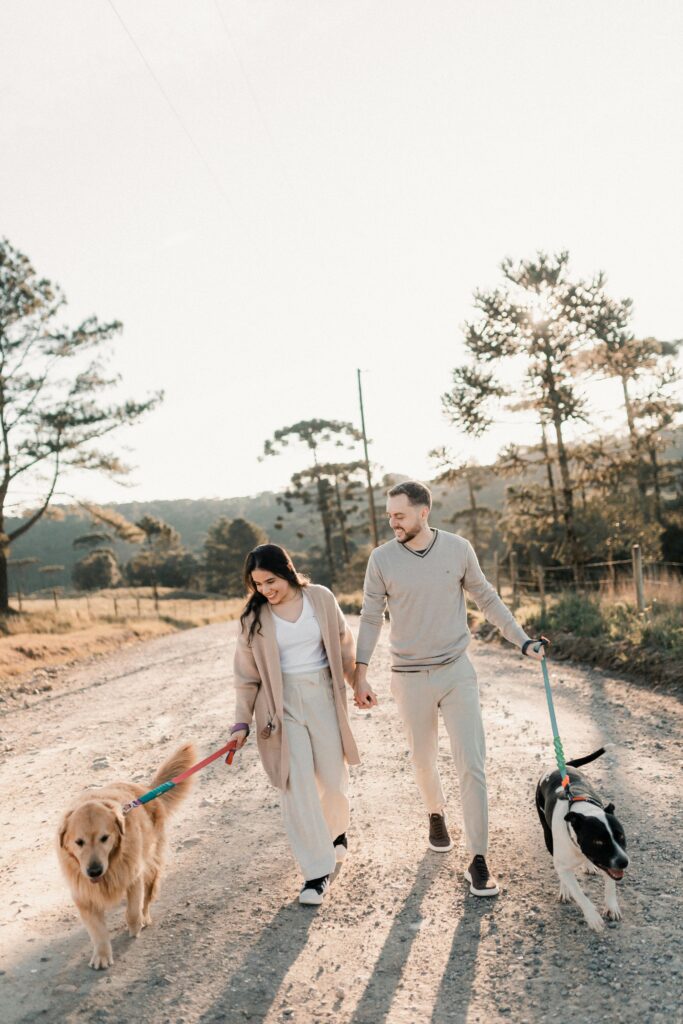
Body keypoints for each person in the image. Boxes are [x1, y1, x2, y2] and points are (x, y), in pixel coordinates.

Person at [353, 481, 546, 897]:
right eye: (389, 515)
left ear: (424, 512)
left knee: (472, 764)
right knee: (423, 759)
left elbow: (488, 599)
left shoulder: (458, 548)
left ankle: (479, 859)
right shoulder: (381, 559)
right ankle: (435, 813)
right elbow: (370, 618)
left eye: (399, 515)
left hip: (456, 670)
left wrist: (523, 640)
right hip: (408, 676)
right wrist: (360, 672)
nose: (392, 522)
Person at [230, 543, 360, 905]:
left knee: (333, 783)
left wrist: (358, 683)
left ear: (287, 570)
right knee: (297, 786)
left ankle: (336, 832)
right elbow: (246, 678)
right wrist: (241, 722)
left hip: (323, 695)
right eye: (257, 584)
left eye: (271, 581)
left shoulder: (319, 598)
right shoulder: (252, 620)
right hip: (280, 706)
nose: (265, 591)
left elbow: (345, 647)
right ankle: (315, 874)